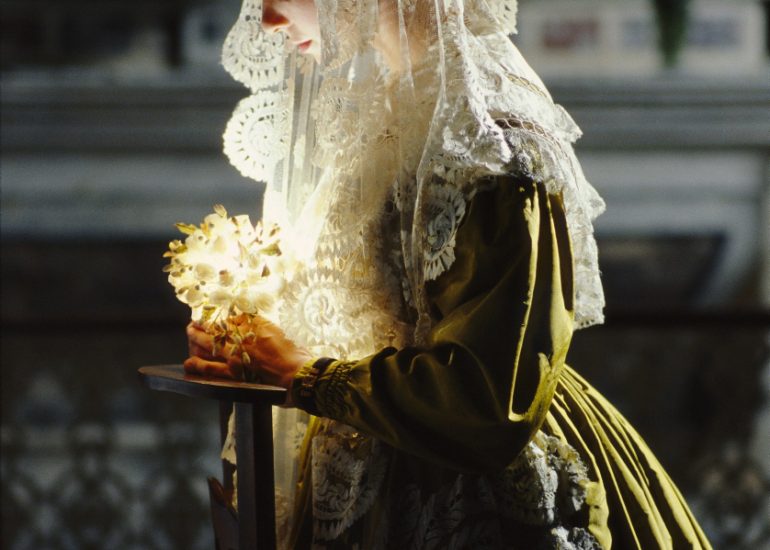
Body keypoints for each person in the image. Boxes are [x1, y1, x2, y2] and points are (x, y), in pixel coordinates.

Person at [185, 0, 712, 547]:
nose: (269, 18)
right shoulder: (390, 113)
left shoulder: (487, 143)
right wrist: (247, 339)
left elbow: (487, 395)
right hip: (369, 450)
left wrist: (306, 375)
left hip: (466, 487)